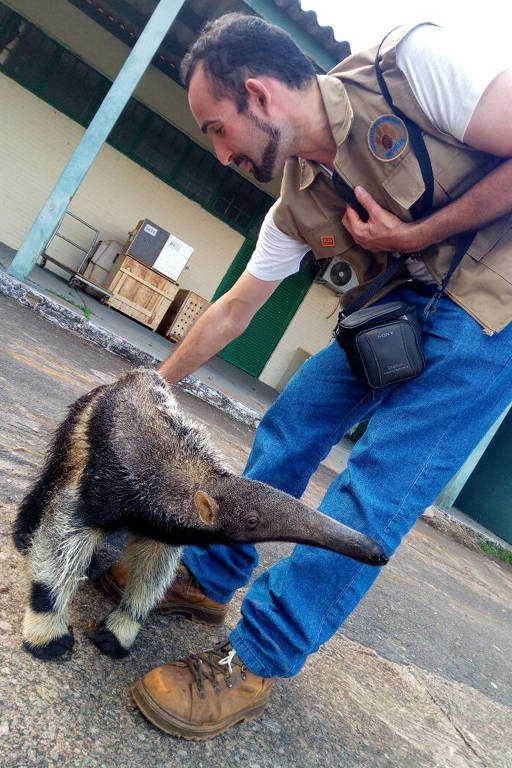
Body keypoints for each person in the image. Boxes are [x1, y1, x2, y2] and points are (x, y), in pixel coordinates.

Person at [101, 14, 512, 739]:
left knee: (379, 481)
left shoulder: (412, 64)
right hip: (399, 308)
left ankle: (256, 658)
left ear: (258, 95)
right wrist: (148, 387)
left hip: (493, 300)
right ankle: (212, 577)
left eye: (215, 130)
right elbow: (233, 310)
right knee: (293, 420)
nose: (221, 155)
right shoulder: (294, 199)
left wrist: (416, 236)